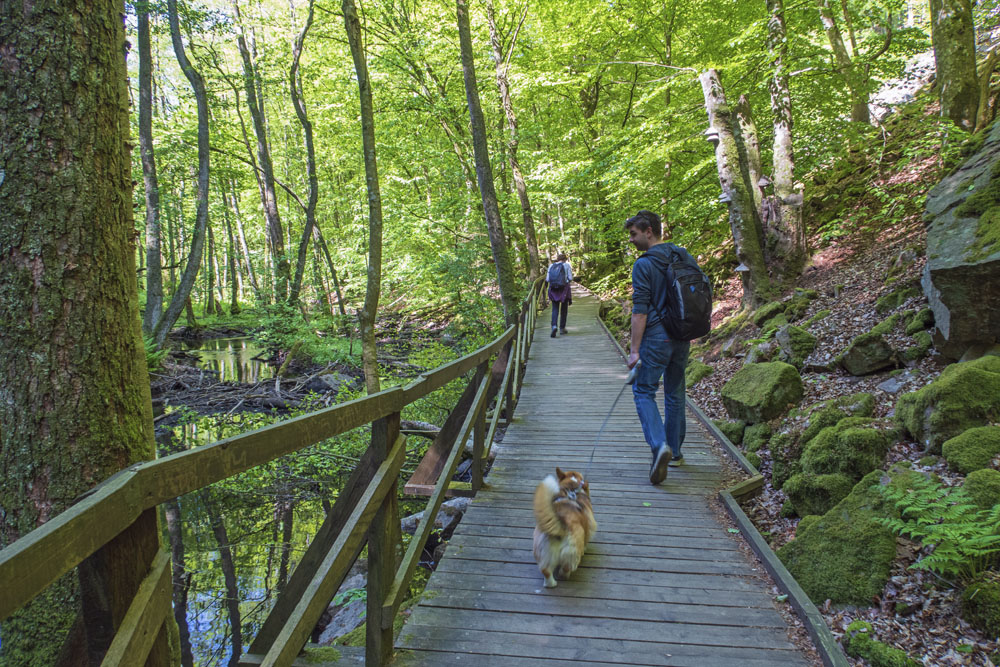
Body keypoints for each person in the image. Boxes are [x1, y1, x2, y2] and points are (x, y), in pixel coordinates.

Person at [624, 211, 689, 485]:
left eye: (634, 234)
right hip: (683, 334)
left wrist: (634, 350)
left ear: (648, 231)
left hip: (656, 338)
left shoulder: (643, 264)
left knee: (643, 391)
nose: (631, 240)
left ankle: (660, 445)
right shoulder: (682, 255)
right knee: (675, 391)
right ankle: (675, 452)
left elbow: (640, 311)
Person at [547, 253, 573, 337]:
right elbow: (570, 278)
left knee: (555, 309)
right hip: (564, 289)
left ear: (557, 259)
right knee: (564, 309)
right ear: (565, 259)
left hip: (554, 289)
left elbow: (547, 279)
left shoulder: (551, 266)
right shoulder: (567, 265)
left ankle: (554, 326)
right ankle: (562, 328)